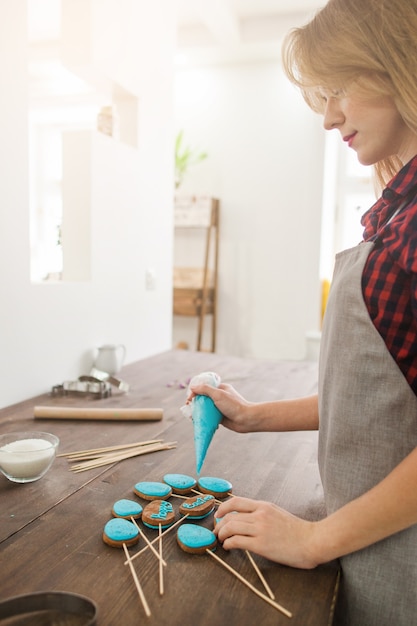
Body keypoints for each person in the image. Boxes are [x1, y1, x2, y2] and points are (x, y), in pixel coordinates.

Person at [188, 1, 417, 624]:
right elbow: (382, 400)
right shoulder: (394, 216)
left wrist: (313, 540)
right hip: (365, 545)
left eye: (340, 87)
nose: (329, 117)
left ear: (399, 64)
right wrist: (254, 416)